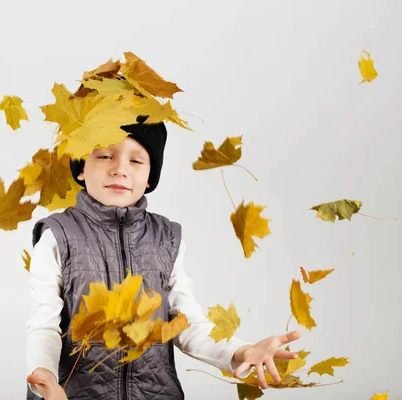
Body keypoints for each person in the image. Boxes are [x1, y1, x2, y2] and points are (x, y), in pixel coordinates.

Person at [25, 116, 302, 399]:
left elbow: (187, 325)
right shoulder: (58, 235)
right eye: (105, 155)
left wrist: (241, 350)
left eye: (136, 161)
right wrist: (44, 375)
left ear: (149, 178)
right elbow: (44, 323)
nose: (120, 169)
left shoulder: (166, 237)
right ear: (81, 167)